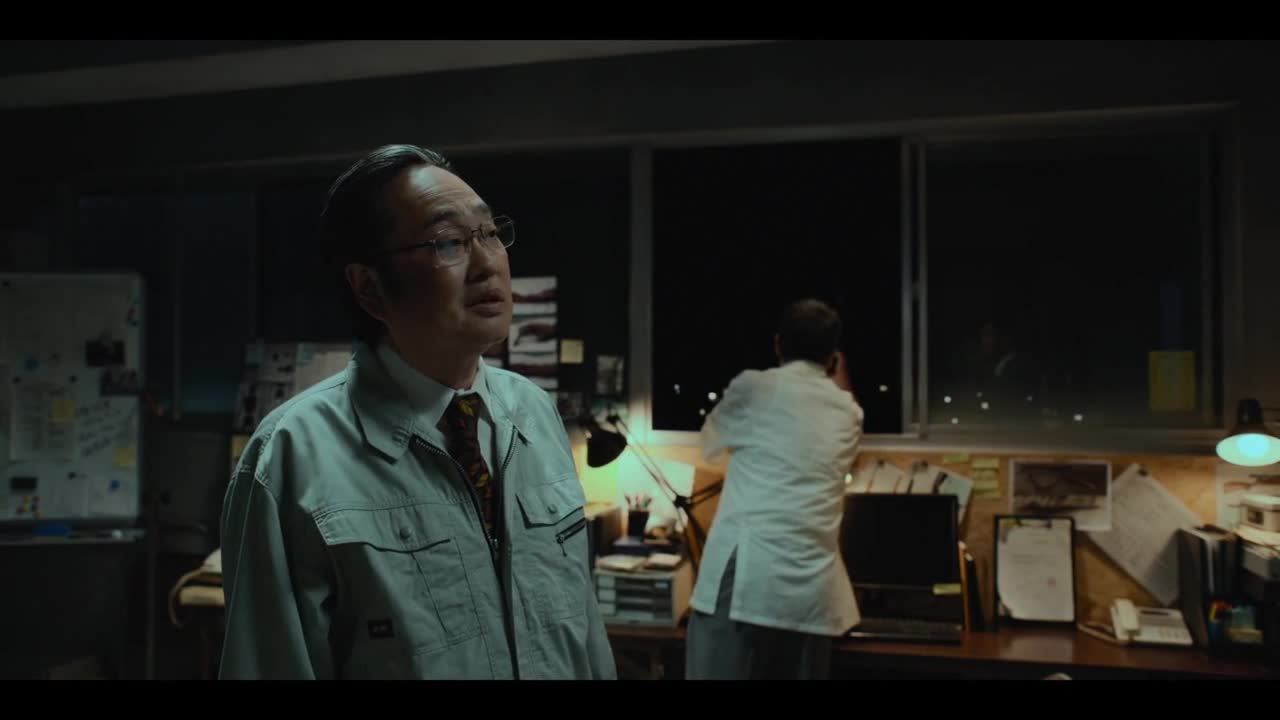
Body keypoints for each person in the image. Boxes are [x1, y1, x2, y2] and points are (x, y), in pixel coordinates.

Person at [219, 145, 616, 680]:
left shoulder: (533, 413)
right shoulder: (293, 456)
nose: (487, 263)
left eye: (489, 233)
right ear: (369, 287)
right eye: (448, 241)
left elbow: (585, 640)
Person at [686, 298, 863, 680]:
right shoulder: (849, 412)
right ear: (833, 356)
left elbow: (709, 446)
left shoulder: (753, 388)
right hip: (810, 591)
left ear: (778, 344)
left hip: (746, 574)